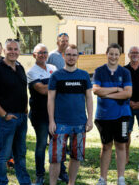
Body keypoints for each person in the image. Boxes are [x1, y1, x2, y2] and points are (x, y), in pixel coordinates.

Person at [0, 39, 31, 185]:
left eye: (15, 49)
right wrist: (4, 115)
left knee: (21, 153)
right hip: (6, 118)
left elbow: (23, 90)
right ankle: (2, 182)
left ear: (19, 51)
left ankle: (24, 182)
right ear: (5, 51)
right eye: (9, 49)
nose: (13, 52)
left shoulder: (20, 67)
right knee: (3, 155)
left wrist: (25, 109)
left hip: (22, 117)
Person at [47, 44, 94, 185]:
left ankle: (71, 183)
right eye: (68, 54)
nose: (71, 57)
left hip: (80, 123)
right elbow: (50, 99)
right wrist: (51, 121)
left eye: (74, 55)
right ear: (63, 56)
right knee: (55, 158)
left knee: (76, 156)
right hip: (60, 123)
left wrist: (90, 119)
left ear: (78, 57)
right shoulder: (56, 76)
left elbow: (89, 98)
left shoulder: (84, 75)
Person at [93, 43, 132, 185]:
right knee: (106, 146)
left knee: (121, 145)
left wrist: (107, 94)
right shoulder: (99, 71)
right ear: (106, 54)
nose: (113, 57)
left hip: (122, 115)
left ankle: (120, 178)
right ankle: (102, 178)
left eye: (116, 54)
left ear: (119, 55)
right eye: (111, 53)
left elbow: (128, 93)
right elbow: (96, 90)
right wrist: (116, 89)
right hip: (103, 116)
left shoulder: (125, 72)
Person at [27, 44, 67, 185]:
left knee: (59, 144)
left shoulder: (53, 68)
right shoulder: (32, 72)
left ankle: (62, 172)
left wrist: (55, 85)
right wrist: (57, 84)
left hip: (56, 114)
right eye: (40, 53)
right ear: (34, 55)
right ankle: (40, 175)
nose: (43, 55)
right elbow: (43, 90)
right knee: (42, 144)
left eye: (45, 52)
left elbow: (59, 85)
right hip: (40, 115)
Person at [46, 33, 70, 183]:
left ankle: (62, 168)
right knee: (56, 138)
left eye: (67, 41)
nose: (65, 43)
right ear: (57, 42)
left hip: (67, 101)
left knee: (64, 136)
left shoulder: (69, 55)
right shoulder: (52, 56)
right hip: (54, 98)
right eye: (62, 41)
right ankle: (58, 170)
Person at [124, 46, 139, 164]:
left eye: (137, 53)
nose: (134, 55)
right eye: (132, 52)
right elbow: (120, 88)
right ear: (129, 55)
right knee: (125, 132)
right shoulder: (123, 70)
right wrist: (128, 102)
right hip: (126, 106)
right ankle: (125, 158)